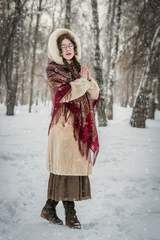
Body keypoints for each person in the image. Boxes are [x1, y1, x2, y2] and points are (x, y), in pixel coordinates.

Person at [40, 28, 100, 229]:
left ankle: (49, 208)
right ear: (57, 50)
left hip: (80, 124)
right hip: (64, 126)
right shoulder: (53, 69)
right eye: (63, 46)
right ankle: (70, 214)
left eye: (70, 45)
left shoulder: (77, 67)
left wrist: (88, 82)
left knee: (67, 170)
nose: (68, 49)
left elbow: (92, 95)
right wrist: (83, 82)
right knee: (65, 169)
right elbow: (64, 94)